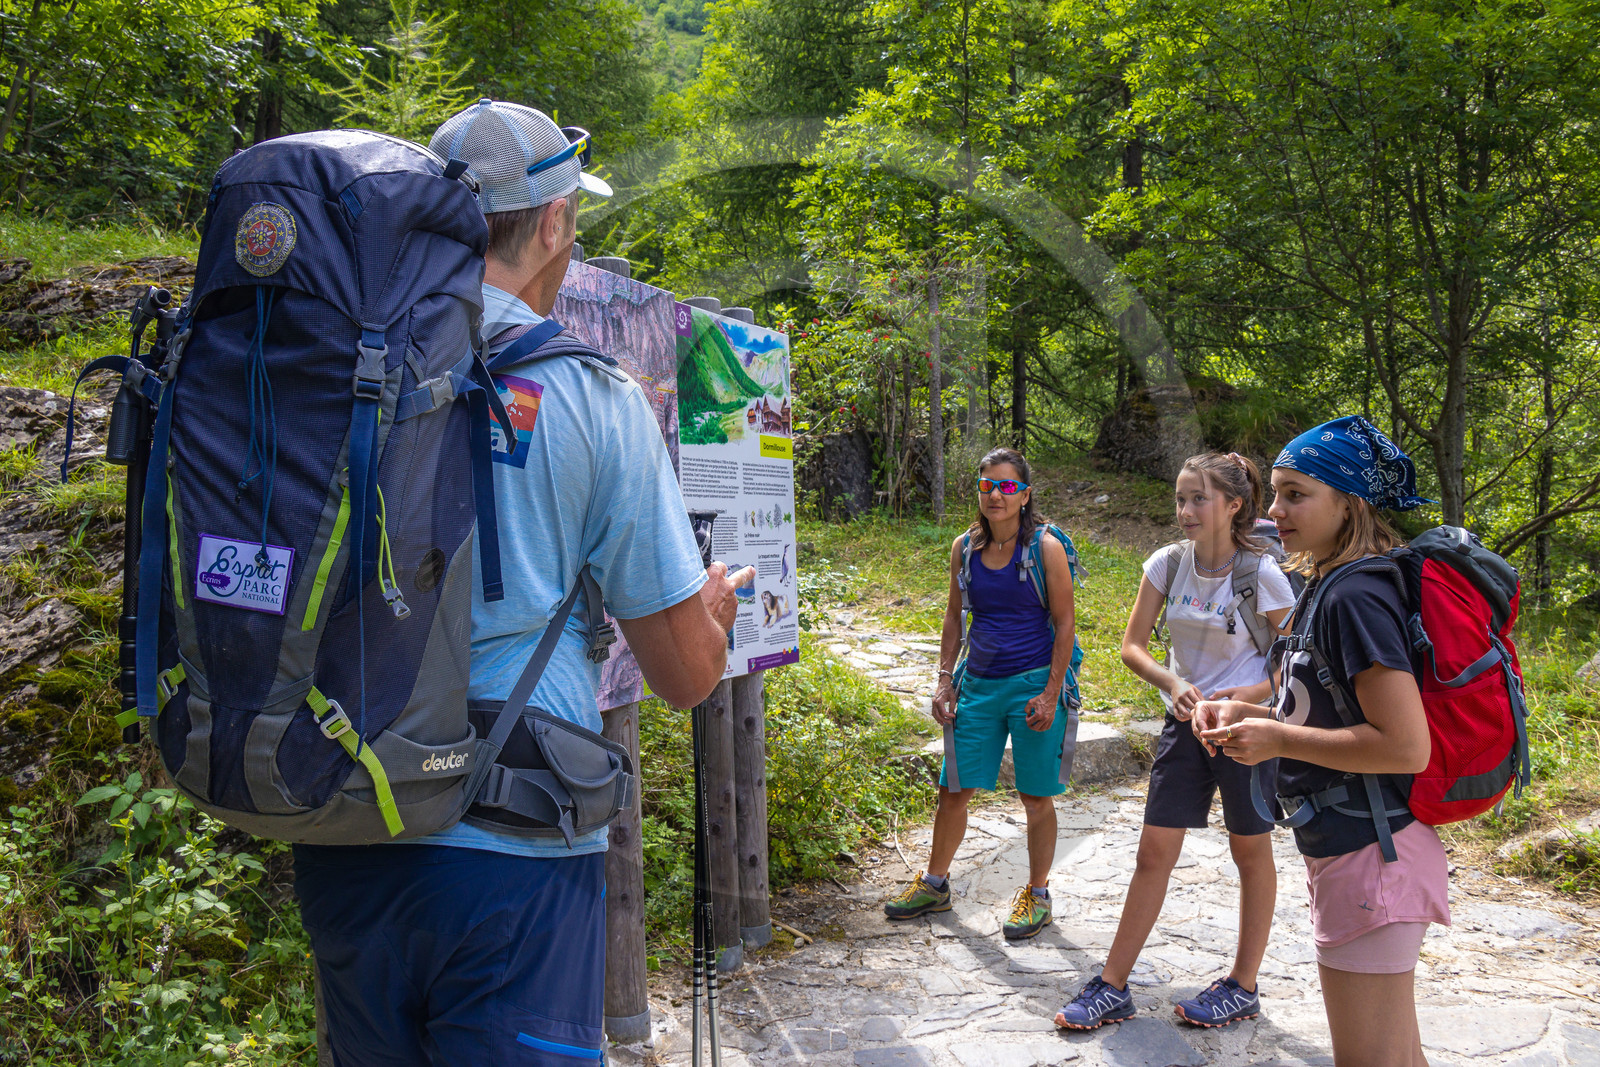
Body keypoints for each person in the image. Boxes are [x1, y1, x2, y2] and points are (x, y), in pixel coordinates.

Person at [293, 99, 756, 1065]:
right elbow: (682, 676)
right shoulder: (594, 397)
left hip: (344, 821)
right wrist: (709, 618)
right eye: (573, 216)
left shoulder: (345, 365)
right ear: (552, 222)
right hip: (514, 850)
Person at [1193, 416, 1443, 1067]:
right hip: (1357, 853)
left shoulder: (1355, 593)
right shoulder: (1328, 584)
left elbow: (1404, 744)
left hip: (1371, 856)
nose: (1275, 510)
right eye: (1274, 492)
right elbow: (1316, 695)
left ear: (1349, 501)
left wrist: (1276, 737)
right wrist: (1244, 705)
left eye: (1295, 493)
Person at [1055, 452, 1295, 1031]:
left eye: (1198, 499)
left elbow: (1293, 665)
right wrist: (1174, 684)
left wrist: (1240, 700)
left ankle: (1243, 985)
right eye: (1181, 499)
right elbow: (1132, 646)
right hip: (1184, 727)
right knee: (1153, 853)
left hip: (1243, 731)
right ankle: (1112, 986)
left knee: (1249, 851)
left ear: (1234, 506)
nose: (1185, 510)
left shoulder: (1262, 572)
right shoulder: (1167, 563)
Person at [883, 447, 1078, 941]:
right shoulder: (964, 547)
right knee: (954, 789)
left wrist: (1052, 691)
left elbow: (1065, 623)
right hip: (979, 685)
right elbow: (955, 616)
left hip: (1033, 684)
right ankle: (935, 883)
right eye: (988, 484)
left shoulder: (1045, 549)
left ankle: (1038, 894)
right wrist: (944, 679)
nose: (996, 494)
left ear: (1025, 494)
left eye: (1008, 486)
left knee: (1035, 797)